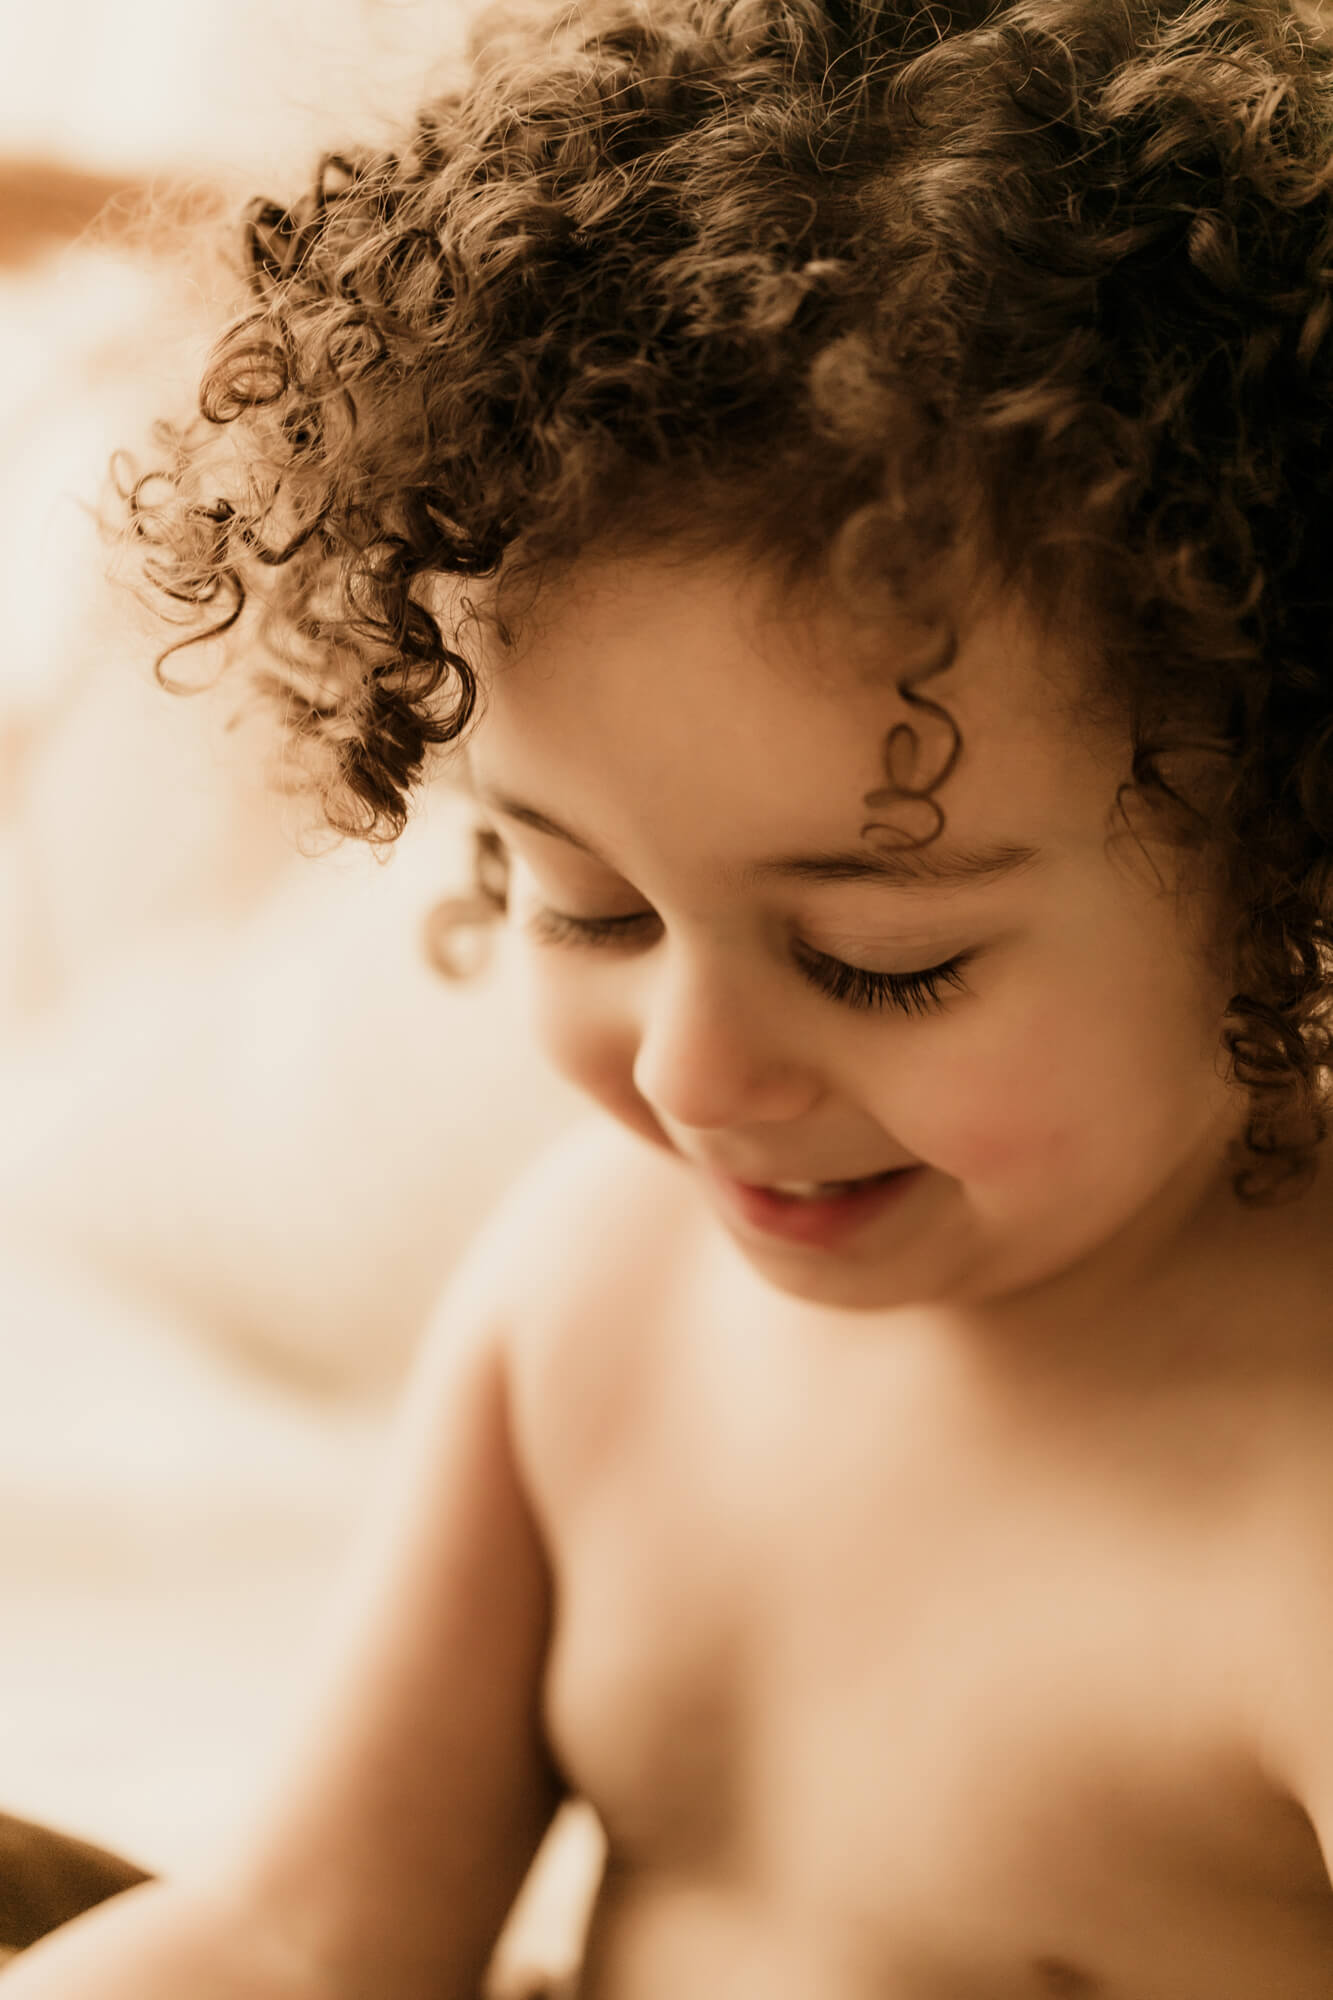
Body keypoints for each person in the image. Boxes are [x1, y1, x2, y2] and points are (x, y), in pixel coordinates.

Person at [8, 0, 1333, 1993]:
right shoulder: (594, 1294)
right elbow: (314, 1925)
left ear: (1284, 872)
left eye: (884, 961)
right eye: (588, 906)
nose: (694, 1074)